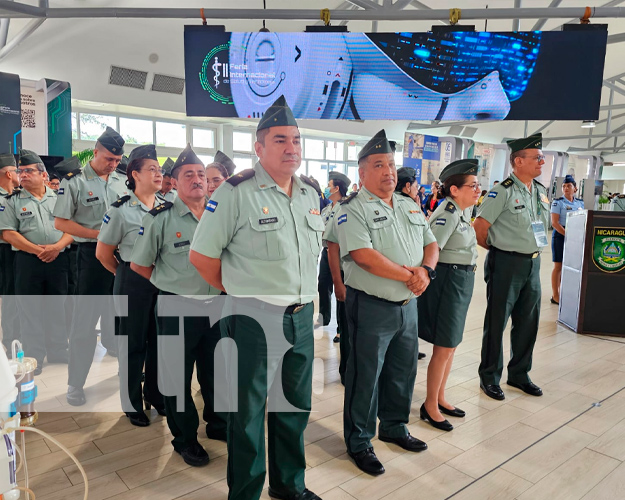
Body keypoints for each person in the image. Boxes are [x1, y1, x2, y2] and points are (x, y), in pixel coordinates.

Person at [189, 96, 323, 500]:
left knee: (293, 406)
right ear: (259, 147)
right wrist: (238, 290)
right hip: (252, 317)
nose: (292, 147)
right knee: (247, 415)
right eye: (280, 139)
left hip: (301, 317)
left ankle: (289, 485)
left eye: (297, 140)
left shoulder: (309, 195)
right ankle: (245, 492)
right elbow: (201, 256)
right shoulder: (235, 192)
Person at [337, 130, 439, 476]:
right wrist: (410, 276)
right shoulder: (351, 209)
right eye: (379, 165)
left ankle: (394, 426)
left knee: (403, 370)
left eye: (392, 165)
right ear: (362, 173)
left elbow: (432, 243)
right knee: (365, 375)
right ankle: (359, 441)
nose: (389, 172)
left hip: (407, 305)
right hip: (372, 305)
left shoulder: (410, 204)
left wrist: (425, 271)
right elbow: (364, 256)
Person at [131, 144, 227, 466]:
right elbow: (140, 266)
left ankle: (218, 423)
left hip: (217, 306)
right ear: (174, 180)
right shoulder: (160, 218)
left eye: (201, 174)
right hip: (177, 308)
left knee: (216, 372)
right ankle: (184, 438)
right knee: (177, 379)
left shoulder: (219, 214)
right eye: (189, 174)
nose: (198, 179)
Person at [54, 126, 130, 406]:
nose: (112, 164)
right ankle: (75, 383)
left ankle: (127, 369)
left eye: (116, 160)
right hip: (89, 259)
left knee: (123, 318)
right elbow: (61, 222)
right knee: (84, 325)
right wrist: (99, 235)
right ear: (95, 151)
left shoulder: (122, 180)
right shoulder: (73, 182)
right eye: (108, 158)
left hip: (122, 259)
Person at [473, 133, 550, 401]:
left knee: (528, 322)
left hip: (533, 262)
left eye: (542, 157)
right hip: (506, 262)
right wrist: (500, 251)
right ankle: (489, 377)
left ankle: (519, 374)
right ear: (518, 161)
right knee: (497, 323)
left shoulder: (539, 191)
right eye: (536, 157)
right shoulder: (501, 191)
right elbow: (479, 229)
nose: (542, 161)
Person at [96, 144, 165, 427]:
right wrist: (125, 277)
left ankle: (156, 395)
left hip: (161, 281)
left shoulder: (167, 206)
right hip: (131, 281)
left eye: (160, 169)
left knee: (160, 342)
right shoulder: (121, 211)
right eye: (152, 169)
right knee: (133, 344)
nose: (159, 173)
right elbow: (103, 253)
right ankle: (132, 402)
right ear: (135, 173)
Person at [417, 159, 481, 432]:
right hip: (448, 282)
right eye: (473, 185)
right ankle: (430, 405)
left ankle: (441, 397)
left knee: (451, 344)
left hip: (461, 280)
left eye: (478, 184)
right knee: (443, 346)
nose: (478, 189)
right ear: (454, 189)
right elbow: (430, 249)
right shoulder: (448, 213)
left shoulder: (462, 212)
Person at [0, 150, 74, 375]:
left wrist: (57, 247)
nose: (22, 175)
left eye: (28, 171)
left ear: (43, 175)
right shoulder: (12, 201)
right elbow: (8, 233)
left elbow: (73, 228)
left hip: (58, 259)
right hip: (27, 261)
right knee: (29, 310)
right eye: (20, 171)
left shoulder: (60, 197)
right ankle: (34, 355)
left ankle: (58, 350)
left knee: (57, 306)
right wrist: (38, 250)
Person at [395, 167, 427, 360]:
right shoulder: (407, 205)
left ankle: (411, 348)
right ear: (407, 186)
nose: (417, 189)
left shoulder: (401, 203)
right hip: (407, 273)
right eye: (415, 186)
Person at [318, 171, 351, 339]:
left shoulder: (345, 207)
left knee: (340, 290)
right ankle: (324, 317)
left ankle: (340, 328)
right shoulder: (326, 208)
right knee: (323, 284)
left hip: (339, 253)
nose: (327, 188)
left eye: (329, 185)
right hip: (326, 252)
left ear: (337, 188)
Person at [550, 175, 584, 304]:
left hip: (575, 236)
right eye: (564, 186)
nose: (566, 188)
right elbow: (554, 223)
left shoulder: (580, 203)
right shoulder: (558, 202)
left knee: (570, 266)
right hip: (560, 235)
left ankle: (565, 291)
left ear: (575, 188)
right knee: (558, 266)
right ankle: (555, 295)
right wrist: (568, 235)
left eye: (569, 186)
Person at [0, 152, 21, 352]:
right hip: (6, 251)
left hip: (21, 251)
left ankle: (23, 336)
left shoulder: (19, 195)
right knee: (11, 296)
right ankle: (10, 340)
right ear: (8, 174)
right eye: (16, 171)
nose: (19, 174)